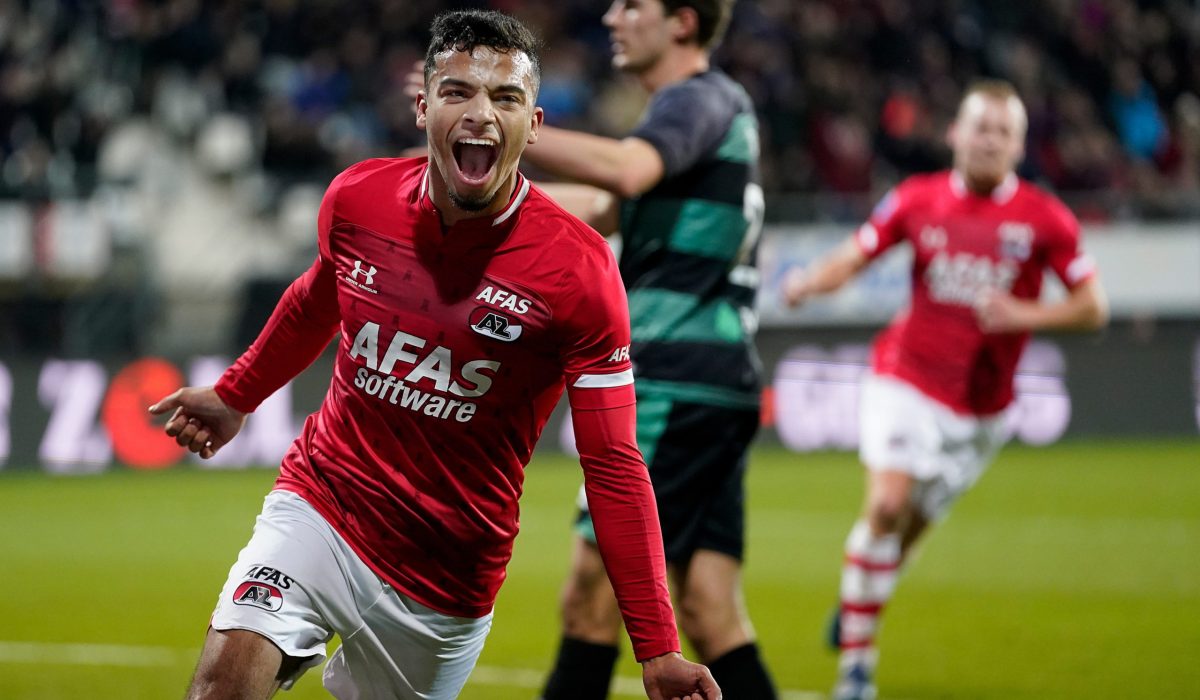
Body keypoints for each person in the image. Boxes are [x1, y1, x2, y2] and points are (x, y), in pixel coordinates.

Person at [149, 11, 720, 700]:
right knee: (222, 685)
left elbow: (613, 462)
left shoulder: (579, 272)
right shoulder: (358, 199)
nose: (481, 114)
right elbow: (316, 299)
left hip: (445, 578)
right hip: (322, 507)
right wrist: (235, 395)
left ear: (533, 125)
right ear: (423, 108)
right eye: (458, 92)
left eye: (505, 98)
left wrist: (657, 647)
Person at [782, 80, 1110, 700]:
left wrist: (1024, 316)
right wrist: (806, 284)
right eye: (979, 127)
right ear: (955, 134)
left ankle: (858, 601)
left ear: (1019, 146)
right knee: (884, 507)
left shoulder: (1045, 219)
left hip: (985, 410)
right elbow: (856, 255)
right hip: (906, 376)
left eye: (1003, 131)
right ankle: (857, 669)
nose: (989, 139)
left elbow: (1094, 308)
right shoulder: (918, 199)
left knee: (905, 536)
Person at [511, 1, 777, 698]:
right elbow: (606, 207)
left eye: (633, 4)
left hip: (674, 381)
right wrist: (483, 187)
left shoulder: (697, 100)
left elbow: (625, 173)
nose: (611, 16)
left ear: (683, 21)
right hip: (716, 382)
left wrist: (507, 126)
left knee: (590, 598)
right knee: (710, 611)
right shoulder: (707, 115)